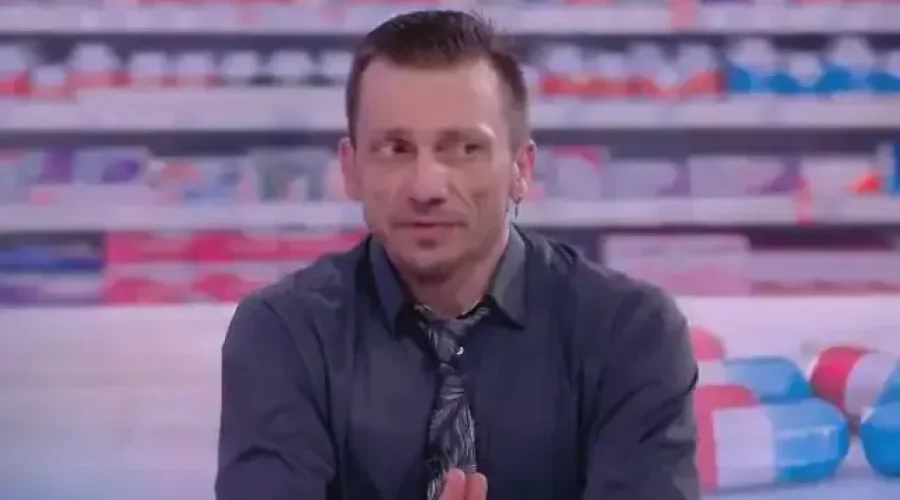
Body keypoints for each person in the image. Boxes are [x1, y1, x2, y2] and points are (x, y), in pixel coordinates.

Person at [215, 9, 699, 500]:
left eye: (464, 148)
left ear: (521, 168)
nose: (427, 187)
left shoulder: (628, 332)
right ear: (351, 168)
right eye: (395, 148)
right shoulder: (285, 333)